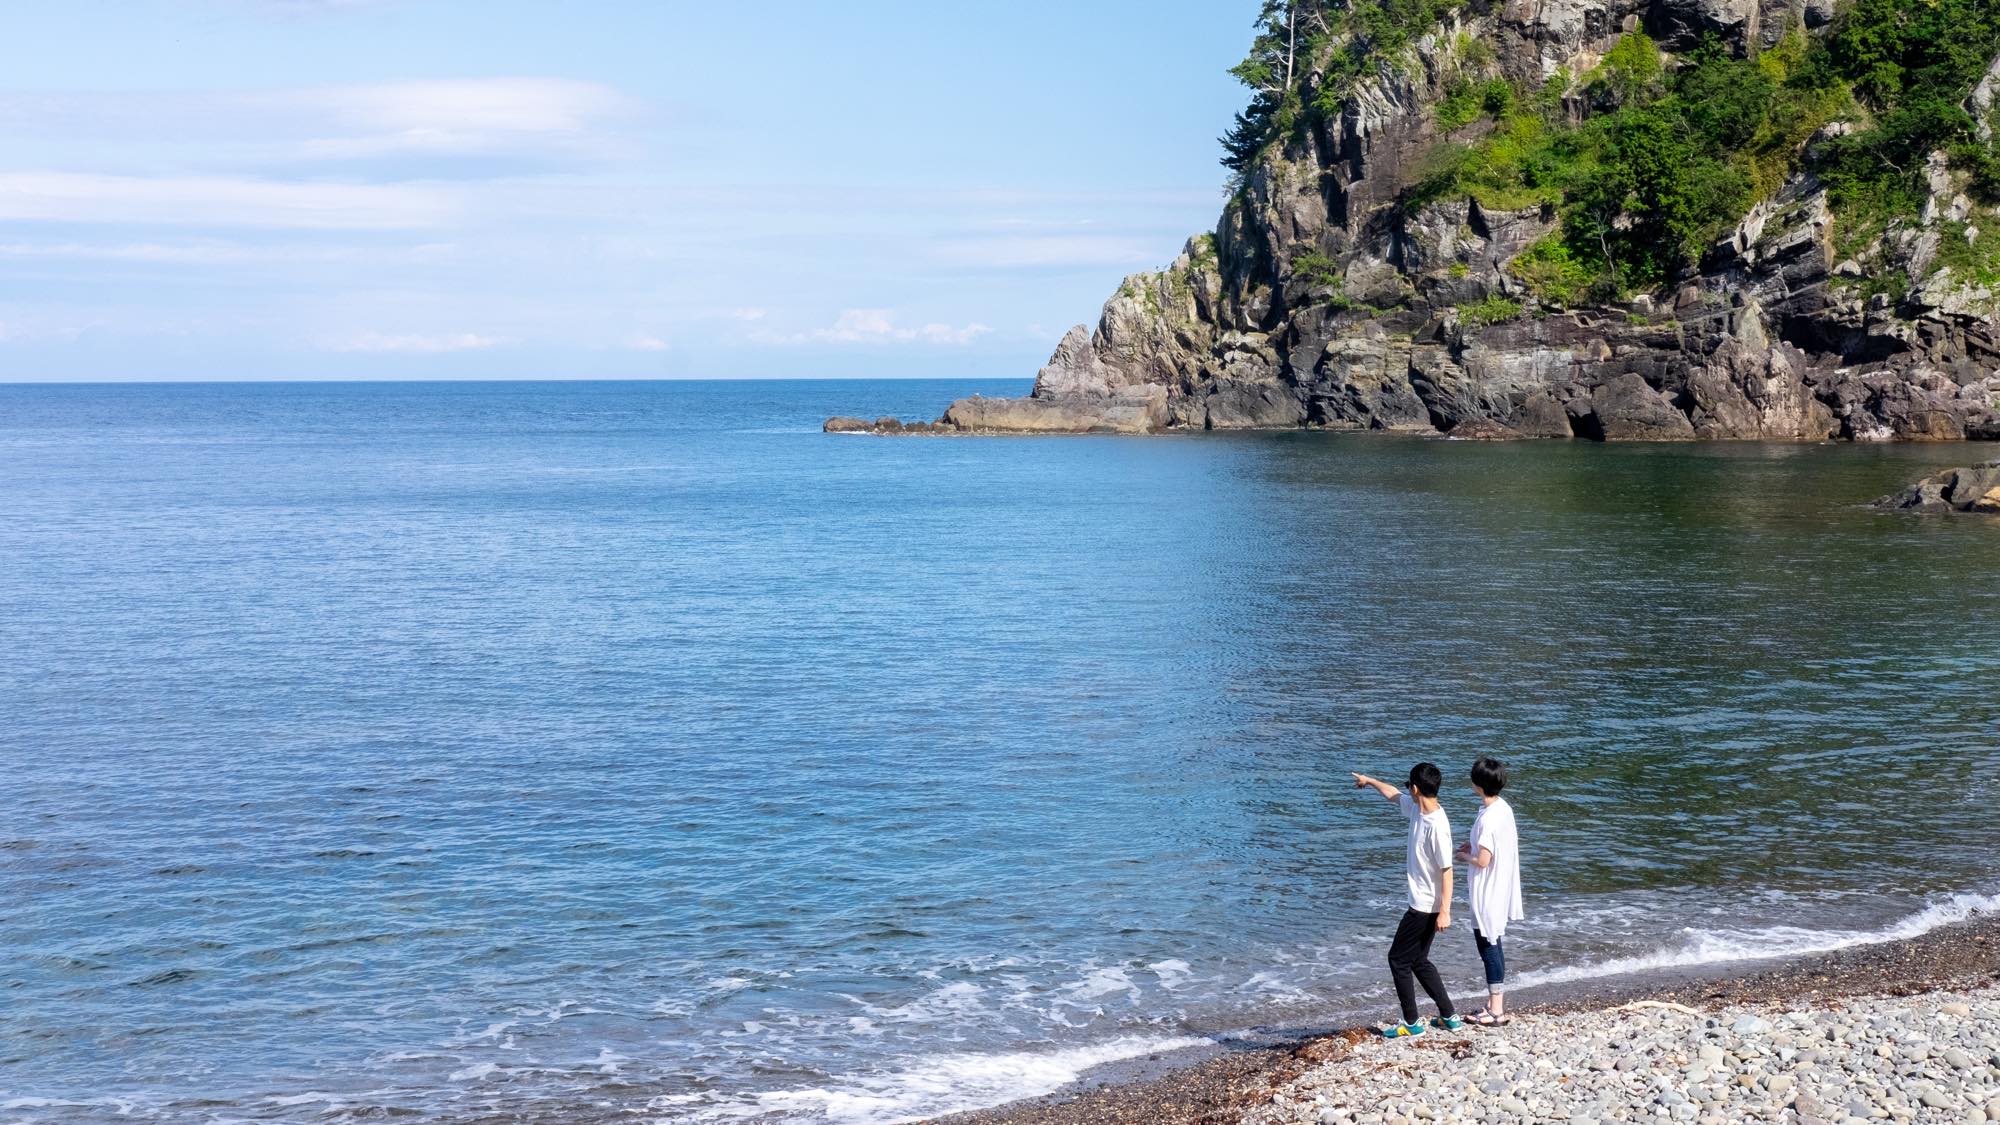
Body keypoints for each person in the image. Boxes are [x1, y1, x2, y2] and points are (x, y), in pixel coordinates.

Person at [1352, 764, 1461, 1038]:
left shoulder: (1436, 825)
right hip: (1424, 904)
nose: (1405, 790)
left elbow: (1447, 872)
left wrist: (1445, 912)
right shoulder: (1416, 809)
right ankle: (1449, 1016)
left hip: (1425, 907)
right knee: (1419, 960)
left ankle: (1411, 1023)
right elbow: (1392, 795)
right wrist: (1370, 779)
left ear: (1415, 788)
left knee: (1398, 960)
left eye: (1408, 785)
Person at [1455, 756, 1524, 1026]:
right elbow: (1494, 844)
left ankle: (1496, 1010)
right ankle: (1496, 1004)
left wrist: (1464, 858)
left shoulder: (1488, 818)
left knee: (1488, 947)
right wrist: (1471, 844)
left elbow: (1484, 860)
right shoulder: (1502, 808)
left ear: (1478, 784)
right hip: (1500, 885)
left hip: (1487, 889)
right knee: (1494, 943)